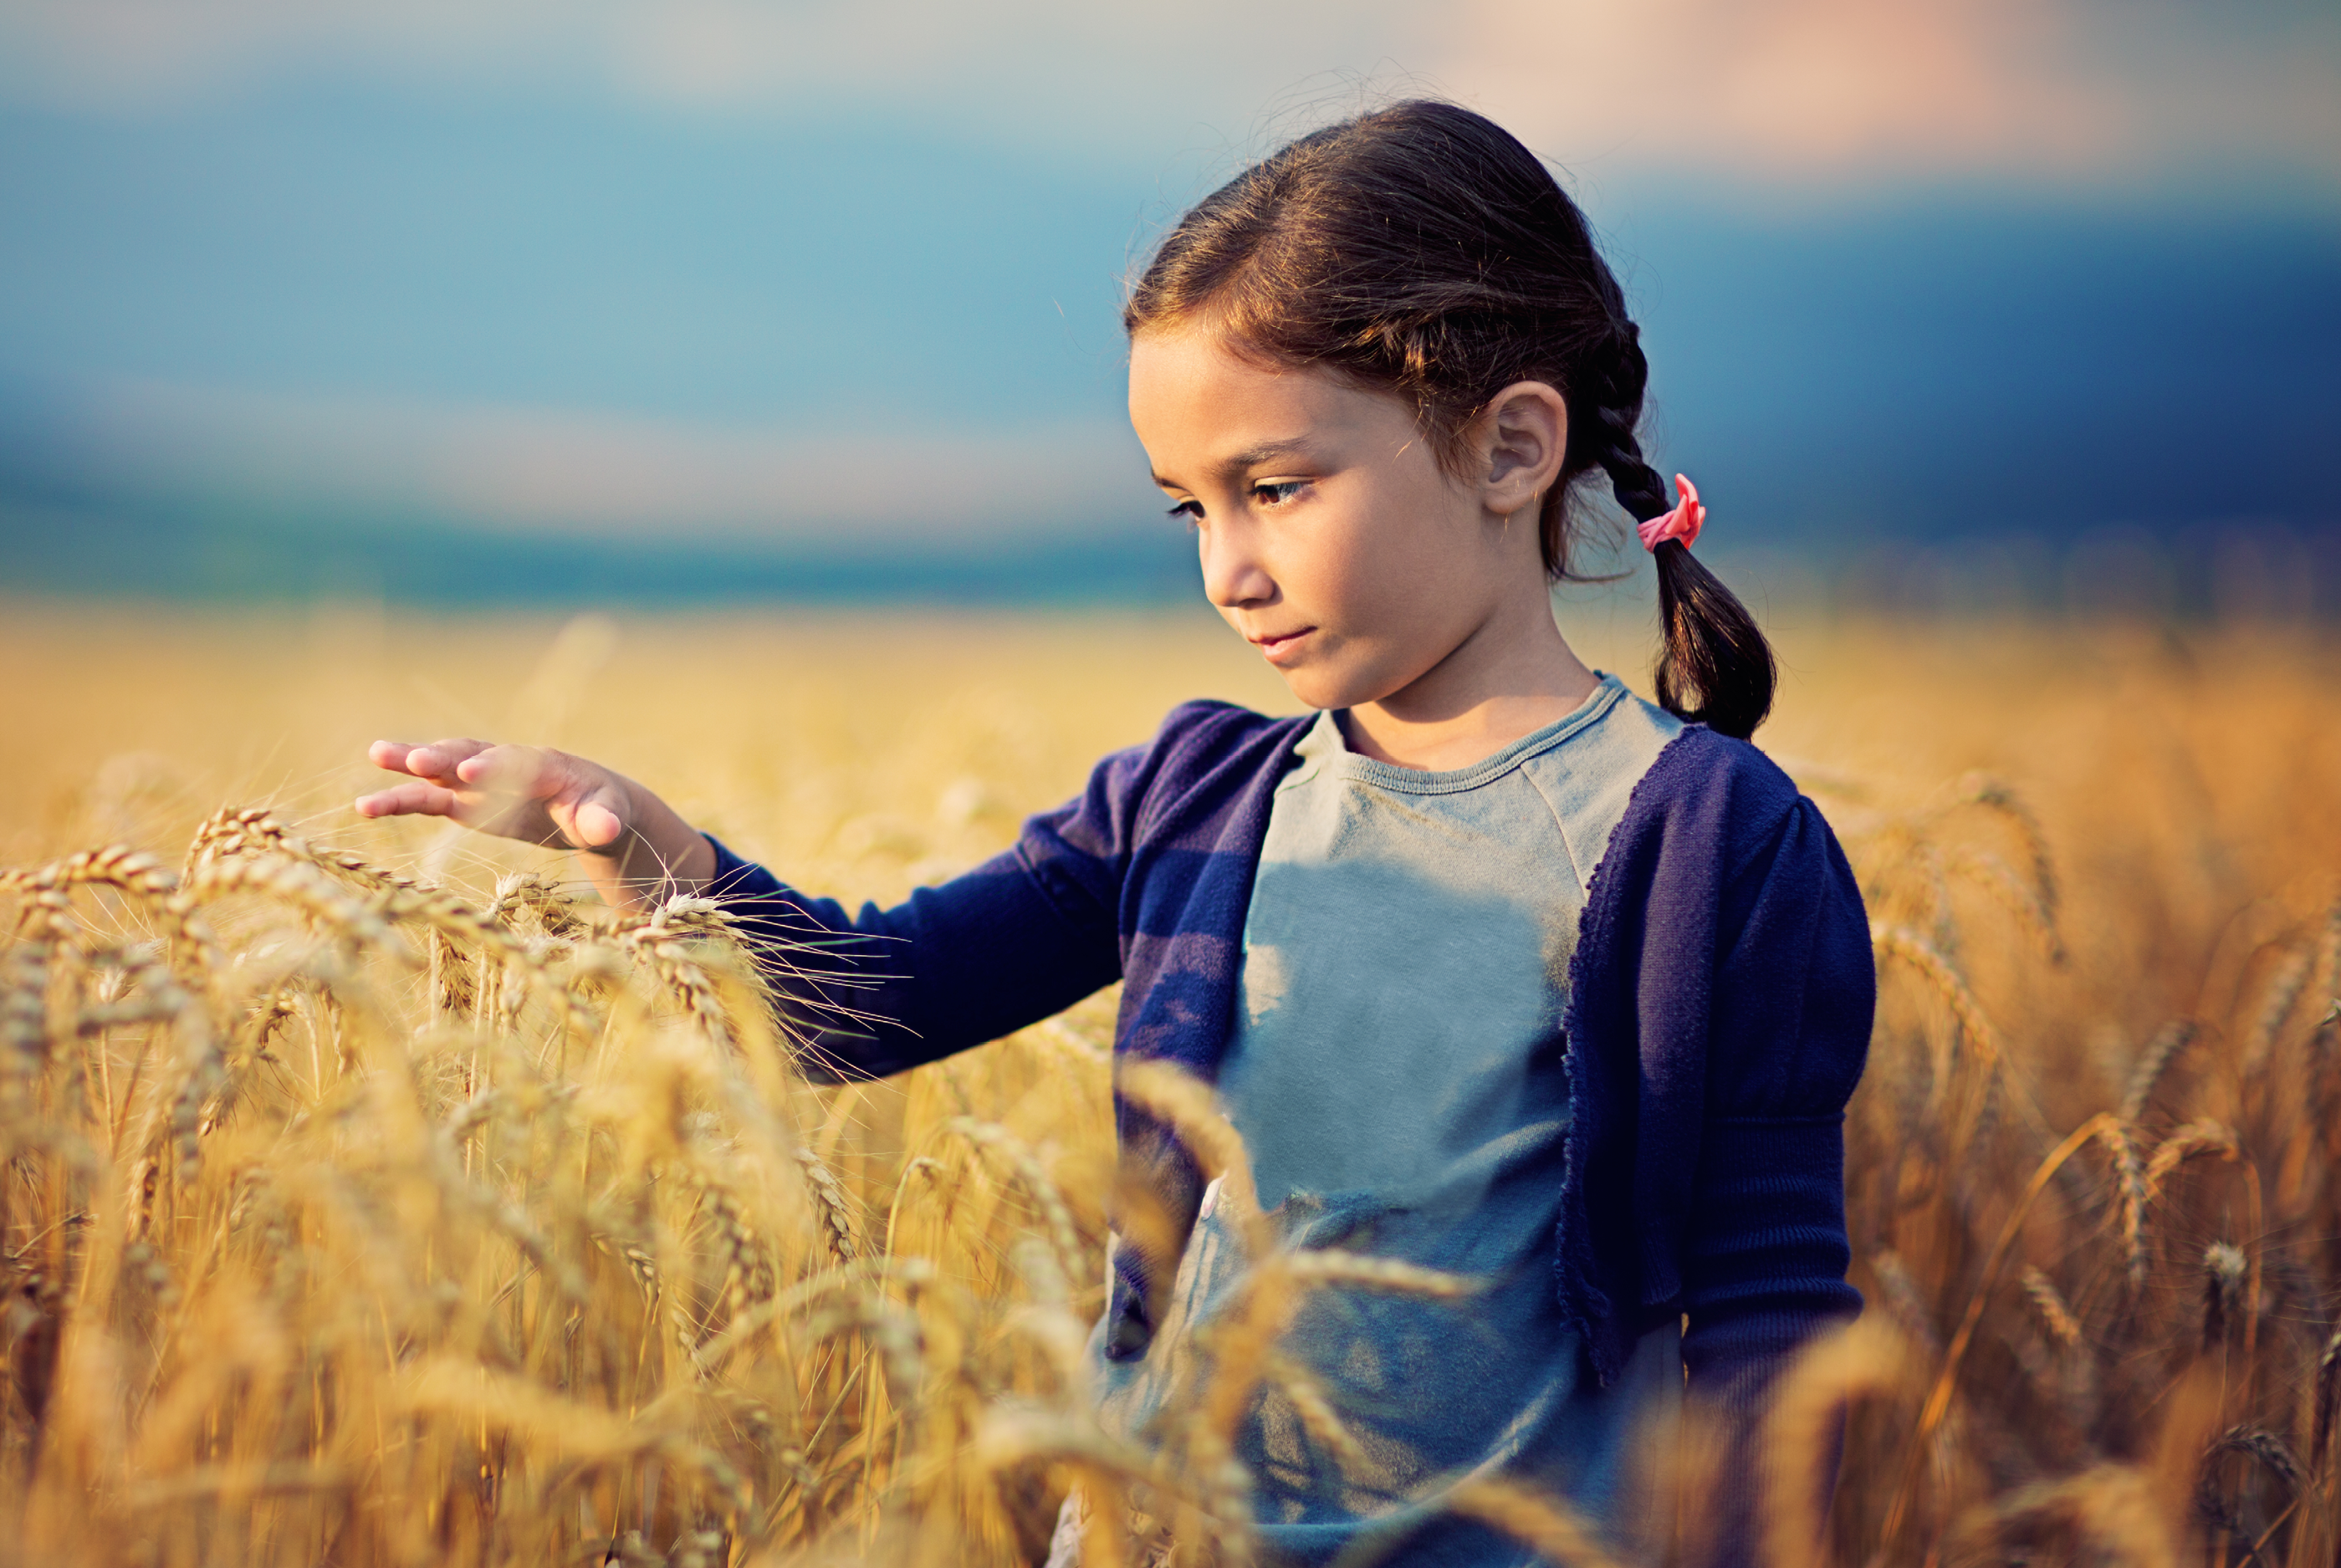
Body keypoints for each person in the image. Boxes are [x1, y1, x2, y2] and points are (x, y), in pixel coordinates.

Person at [358, 99, 1873, 1568]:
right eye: (1188, 510)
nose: (1228, 567)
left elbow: (1766, 1318)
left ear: (1509, 447)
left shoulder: (1704, 843)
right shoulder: (1193, 801)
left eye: (1275, 488)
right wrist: (653, 858)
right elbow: (865, 1006)